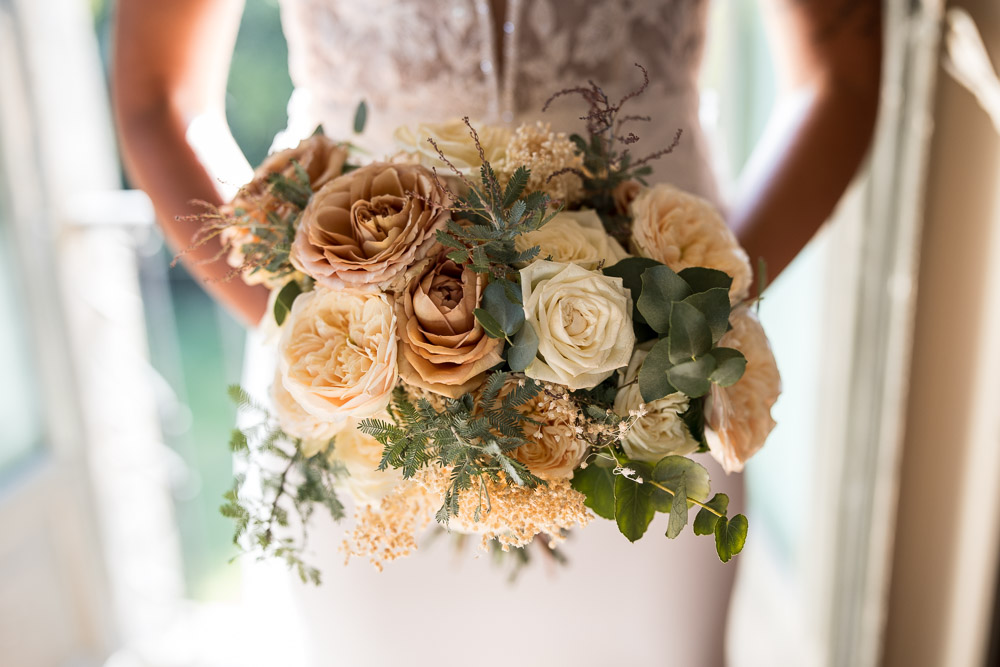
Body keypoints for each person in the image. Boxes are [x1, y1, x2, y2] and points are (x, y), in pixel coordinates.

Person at [113, 1, 881, 665]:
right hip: (364, 423)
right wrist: (348, 358)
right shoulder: (358, 384)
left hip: (655, 408)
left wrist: (688, 327)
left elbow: (840, 78)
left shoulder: (667, 363)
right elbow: (158, 99)